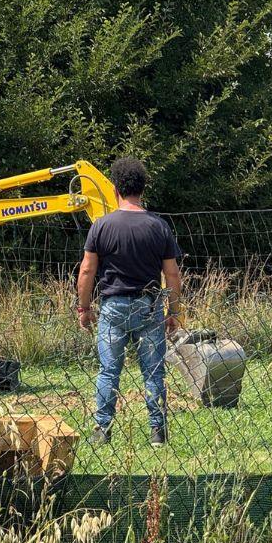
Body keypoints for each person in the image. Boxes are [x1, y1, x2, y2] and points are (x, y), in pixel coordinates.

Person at [76, 157, 183, 448]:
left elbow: (87, 270)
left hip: (113, 308)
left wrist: (84, 308)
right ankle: (157, 433)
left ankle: (102, 429)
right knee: (153, 371)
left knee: (110, 370)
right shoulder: (158, 226)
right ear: (142, 189)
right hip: (149, 307)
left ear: (114, 190)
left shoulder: (101, 226)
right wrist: (174, 312)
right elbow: (171, 273)